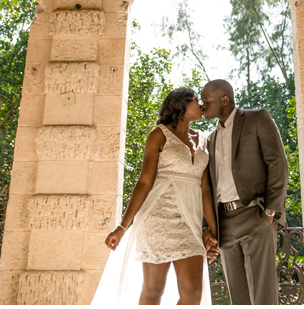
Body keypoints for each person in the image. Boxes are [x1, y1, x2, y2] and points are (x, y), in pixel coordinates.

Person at [92, 87, 218, 305]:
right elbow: (144, 182)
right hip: (158, 217)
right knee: (154, 290)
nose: (202, 105)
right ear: (182, 105)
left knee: (193, 292)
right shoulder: (159, 134)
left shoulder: (204, 141)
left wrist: (213, 232)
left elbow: (205, 188)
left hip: (190, 222)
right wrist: (122, 227)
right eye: (196, 100)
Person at [200, 79, 288, 305]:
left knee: (263, 295)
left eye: (206, 101)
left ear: (225, 99)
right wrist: (207, 227)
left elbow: (277, 163)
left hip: (255, 215)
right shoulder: (210, 139)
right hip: (225, 223)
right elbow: (207, 186)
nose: (202, 106)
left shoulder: (257, 118)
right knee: (237, 297)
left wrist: (270, 211)